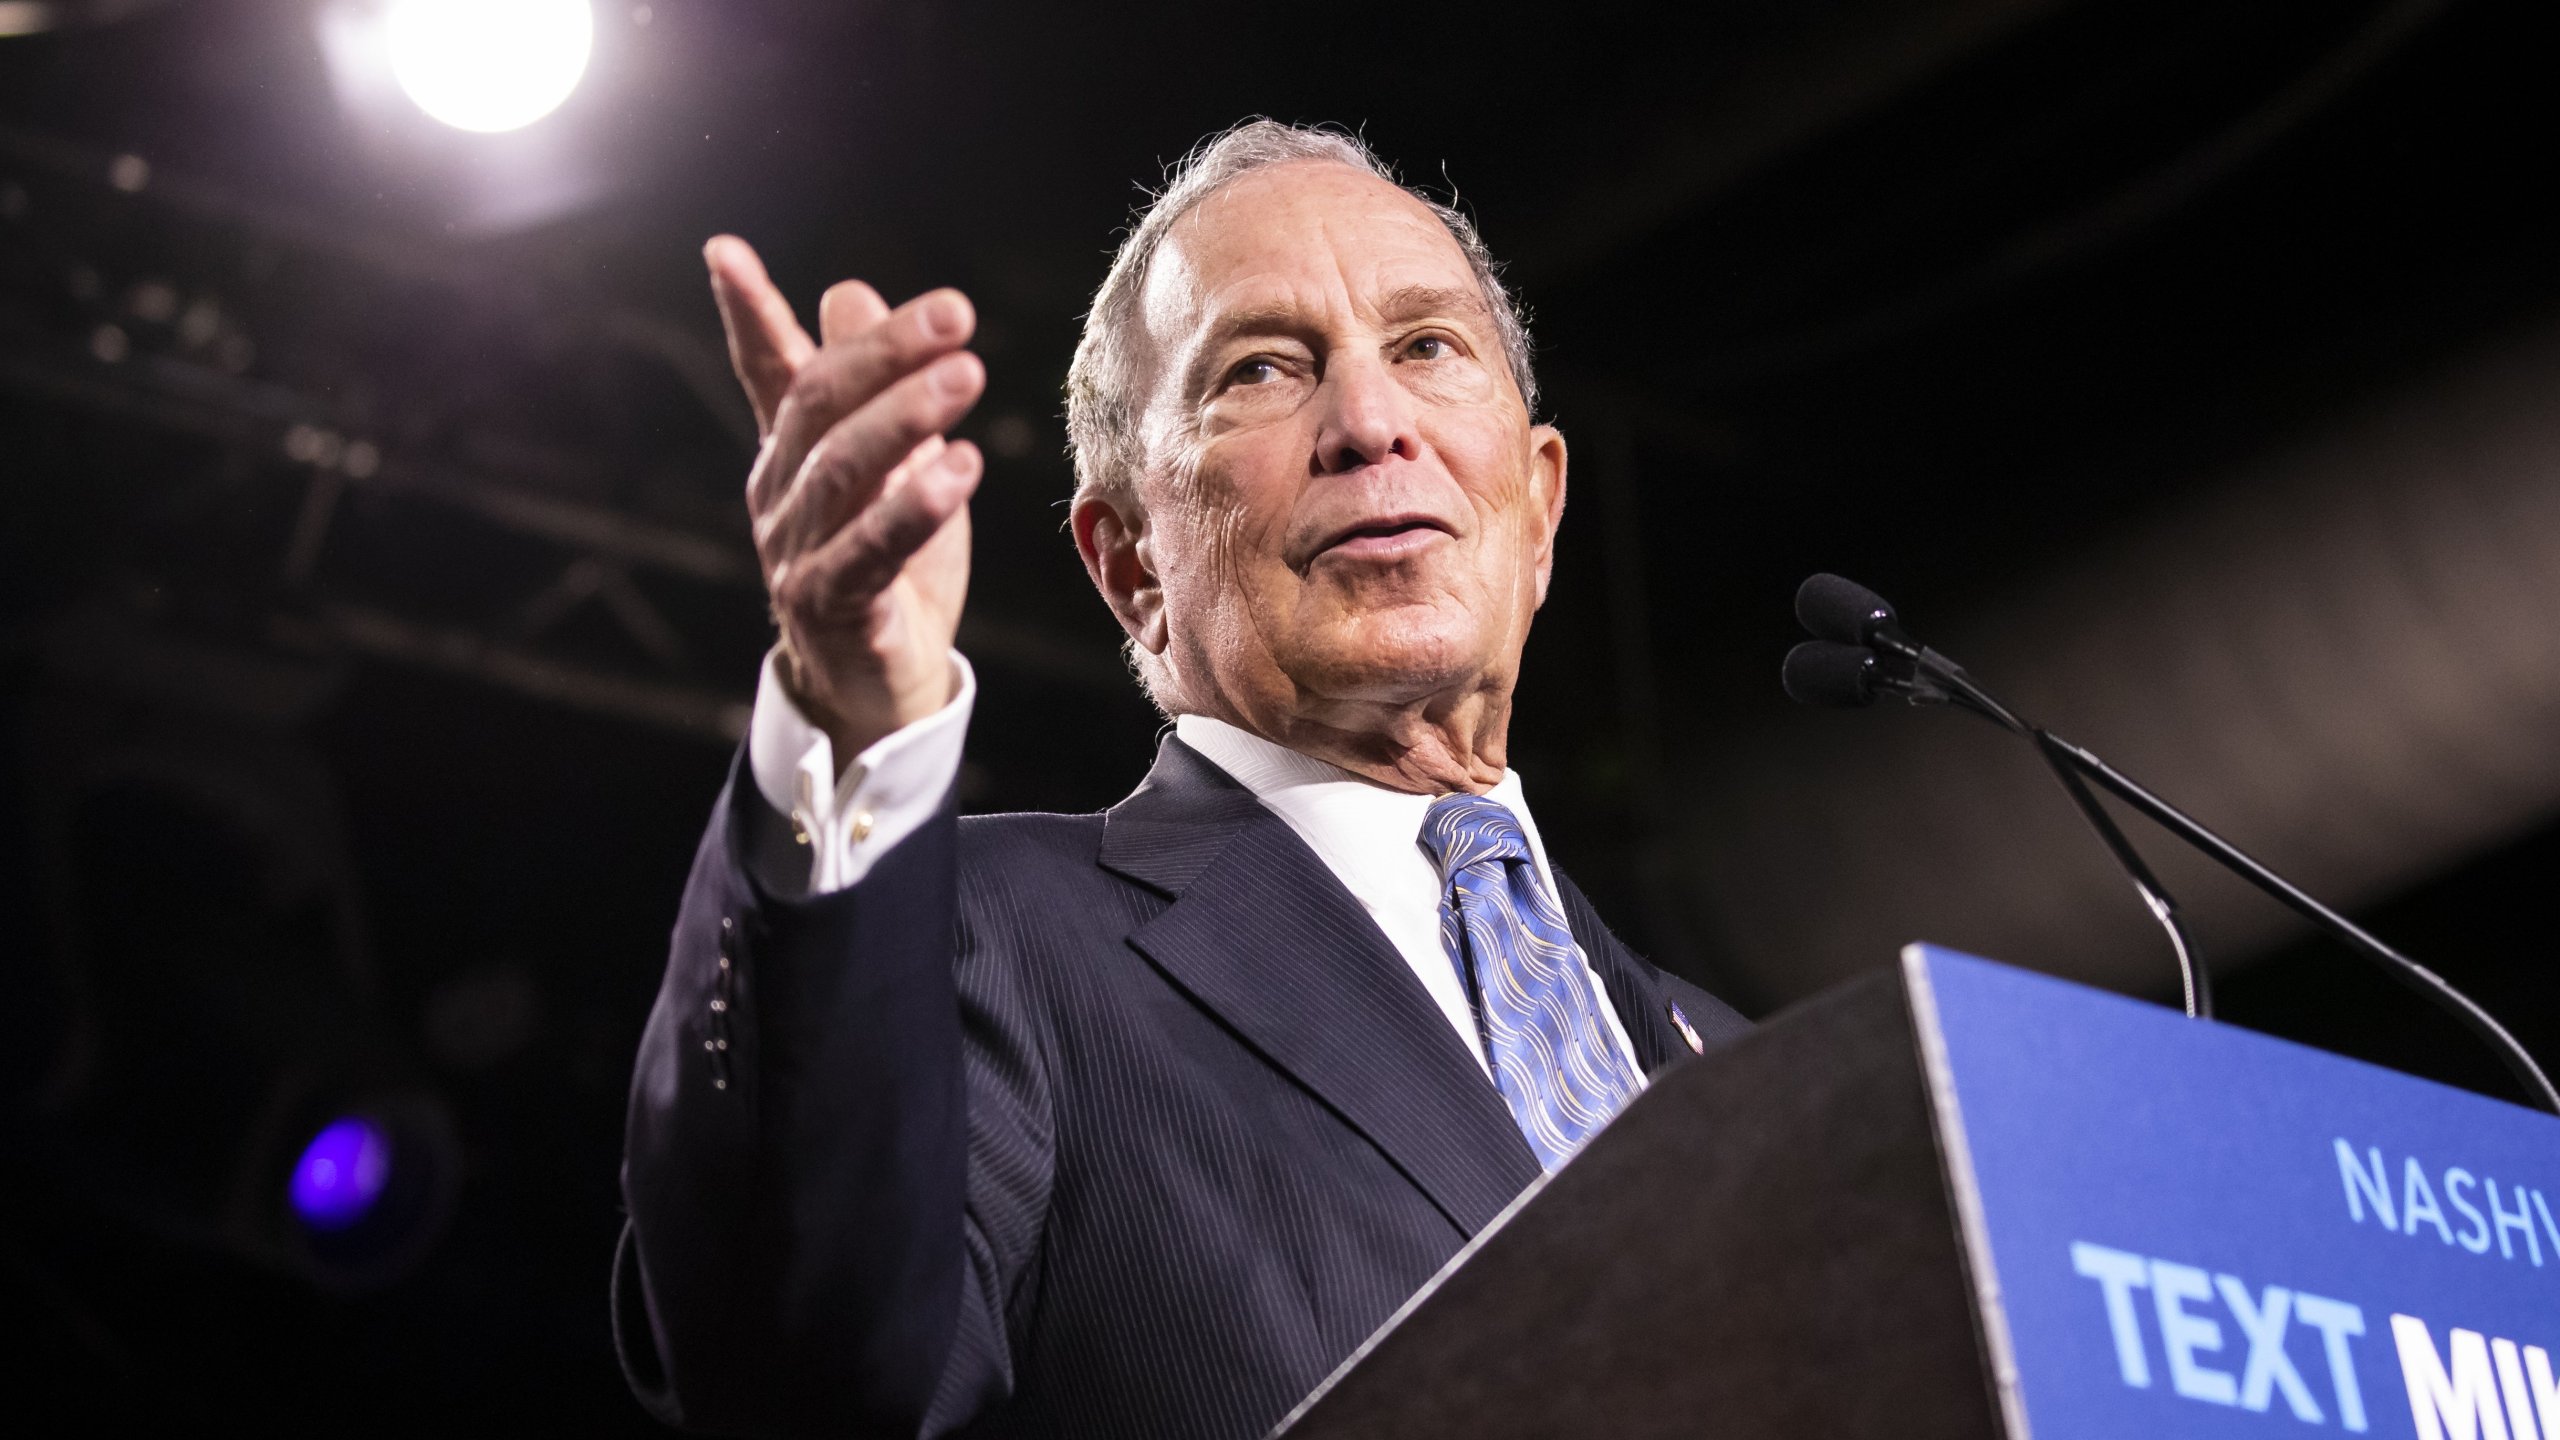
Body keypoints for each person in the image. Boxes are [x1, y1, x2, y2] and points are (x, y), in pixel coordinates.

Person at [614, 120, 1749, 1440]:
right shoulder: (993, 938)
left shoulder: (1731, 1058)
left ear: (1541, 510)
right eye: (1264, 368)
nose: (1371, 423)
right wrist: (847, 717)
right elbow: (804, 1376)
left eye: (1430, 347)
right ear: (1131, 567)